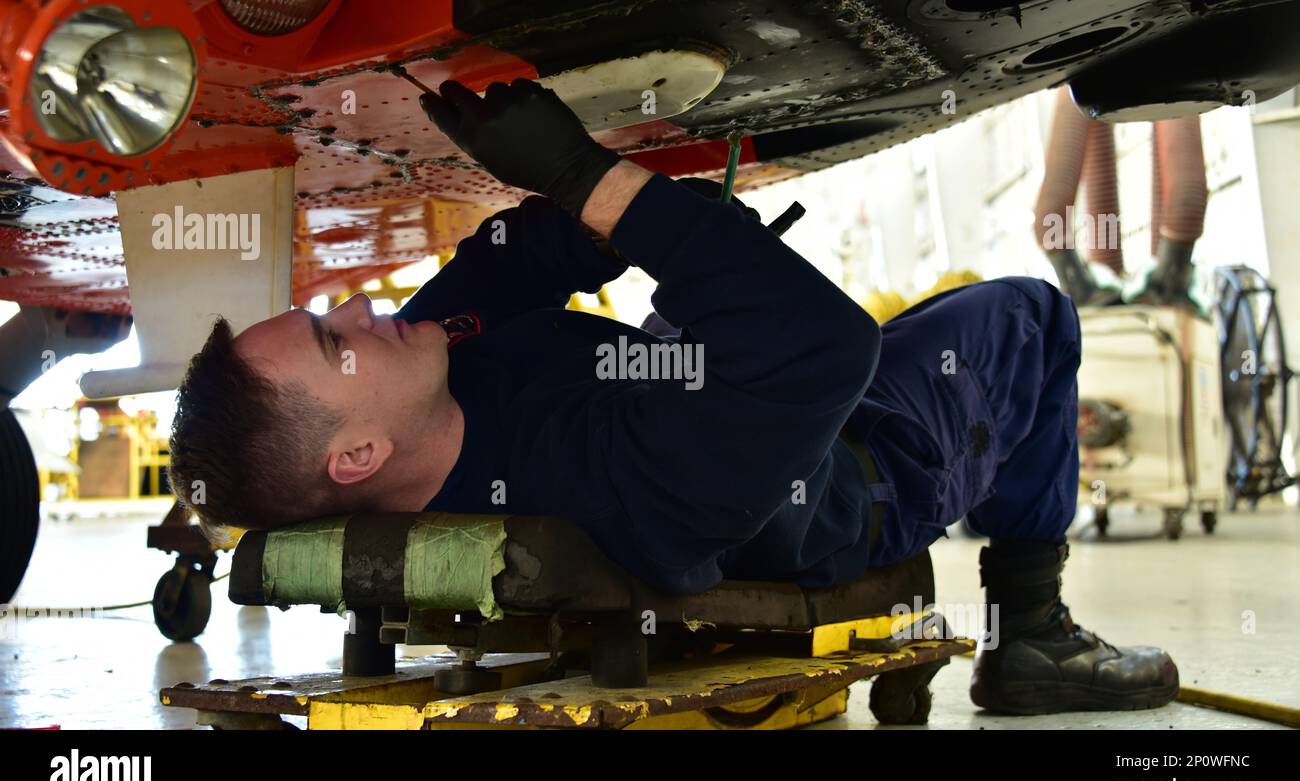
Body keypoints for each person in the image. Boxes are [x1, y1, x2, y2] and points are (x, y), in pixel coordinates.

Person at [168, 79, 1177, 715]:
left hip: (741, 392)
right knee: (1029, 315)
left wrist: (627, 217)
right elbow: (826, 349)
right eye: (331, 340)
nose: (355, 308)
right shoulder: (603, 487)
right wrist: (589, 177)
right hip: (862, 471)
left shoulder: (421, 383)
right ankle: (1031, 633)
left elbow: (504, 266)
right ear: (356, 459)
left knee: (933, 321)